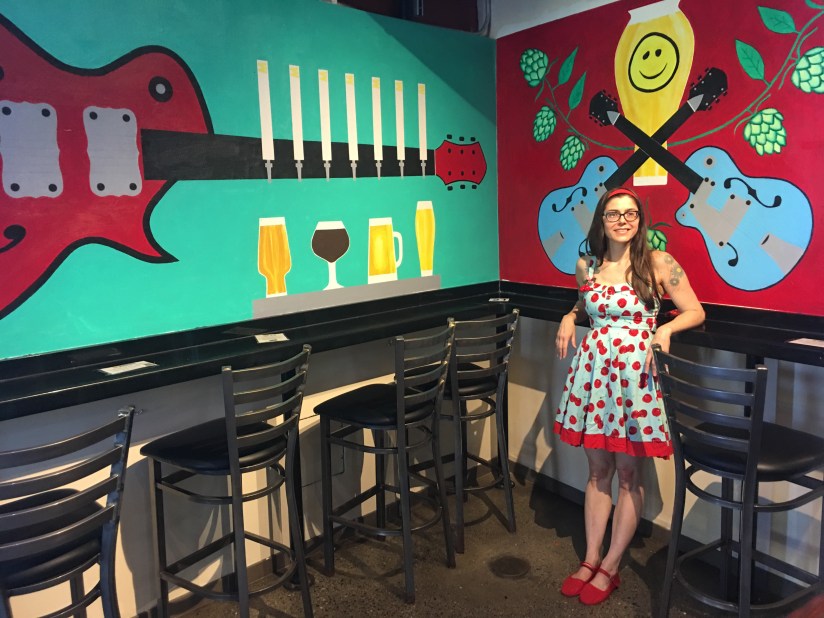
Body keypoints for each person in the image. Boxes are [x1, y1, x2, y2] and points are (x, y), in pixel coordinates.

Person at [553, 186, 705, 606]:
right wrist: (569, 315)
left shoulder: (658, 262)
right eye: (613, 214)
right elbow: (586, 306)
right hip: (594, 376)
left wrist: (665, 329)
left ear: (640, 220)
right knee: (597, 471)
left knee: (627, 475)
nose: (622, 220)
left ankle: (611, 565)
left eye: (630, 213)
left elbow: (695, 310)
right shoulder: (586, 265)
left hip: (636, 378)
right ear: (601, 221)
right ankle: (590, 557)